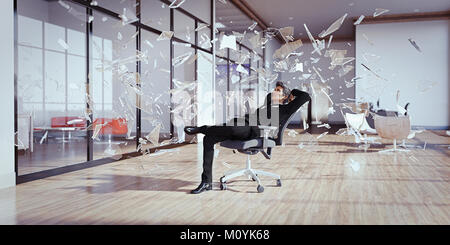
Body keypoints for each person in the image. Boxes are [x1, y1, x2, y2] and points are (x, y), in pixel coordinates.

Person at [184, 82, 311, 194]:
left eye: (278, 90)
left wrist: (291, 93)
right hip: (243, 123)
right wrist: (277, 94)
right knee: (209, 139)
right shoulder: (267, 105)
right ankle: (206, 182)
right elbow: (269, 96)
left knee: (232, 128)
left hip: (254, 131)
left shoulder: (286, 109)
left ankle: (201, 128)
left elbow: (305, 97)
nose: (274, 91)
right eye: (274, 89)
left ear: (285, 96)